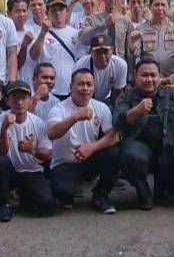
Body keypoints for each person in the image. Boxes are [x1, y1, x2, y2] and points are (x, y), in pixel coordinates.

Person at [113, 59, 174, 210]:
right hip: (138, 148)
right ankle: (143, 192)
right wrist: (137, 110)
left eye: (153, 75)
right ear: (136, 76)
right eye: (144, 75)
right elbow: (117, 122)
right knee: (131, 157)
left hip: (167, 148)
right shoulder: (126, 97)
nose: (149, 79)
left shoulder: (173, 95)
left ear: (159, 76)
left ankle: (163, 188)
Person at [47, 69, 120, 213]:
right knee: (63, 195)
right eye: (80, 84)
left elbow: (114, 136)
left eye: (89, 84)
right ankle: (67, 188)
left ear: (94, 87)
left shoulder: (101, 107)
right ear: (71, 87)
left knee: (113, 152)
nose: (85, 88)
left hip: (89, 159)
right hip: (65, 163)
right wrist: (75, 117)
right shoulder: (58, 109)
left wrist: (91, 148)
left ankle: (101, 194)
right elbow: (51, 133)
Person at [0, 81, 55, 222]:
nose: (20, 102)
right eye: (15, 98)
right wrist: (4, 130)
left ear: (30, 100)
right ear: (7, 100)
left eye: (24, 98)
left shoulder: (39, 123)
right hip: (9, 171)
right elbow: (1, 152)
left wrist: (31, 149)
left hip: (31, 171)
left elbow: (48, 155)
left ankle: (23, 195)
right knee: (1, 162)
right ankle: (4, 203)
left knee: (47, 204)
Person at [29, 0, 79, 100]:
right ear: (47, 13)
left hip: (71, 89)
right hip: (49, 90)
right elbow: (33, 55)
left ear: (66, 11)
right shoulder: (40, 33)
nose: (58, 13)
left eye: (61, 9)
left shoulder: (76, 34)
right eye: (53, 10)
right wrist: (43, 32)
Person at [129, 0, 174, 80]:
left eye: (163, 5)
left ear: (168, 7)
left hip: (172, 79)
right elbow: (135, 53)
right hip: (149, 80)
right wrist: (131, 41)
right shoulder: (141, 29)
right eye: (156, 5)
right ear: (150, 7)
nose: (160, 8)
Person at [79, 0, 135, 69]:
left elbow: (130, 51)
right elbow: (84, 40)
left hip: (119, 67)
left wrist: (130, 76)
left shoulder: (126, 21)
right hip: (98, 67)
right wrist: (104, 25)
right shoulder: (92, 19)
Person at [75, 33, 128, 106]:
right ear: (90, 51)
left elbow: (117, 92)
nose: (102, 56)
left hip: (107, 99)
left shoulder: (121, 65)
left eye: (105, 51)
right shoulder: (81, 65)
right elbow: (77, 91)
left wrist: (111, 108)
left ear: (112, 50)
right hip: (85, 99)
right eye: (98, 52)